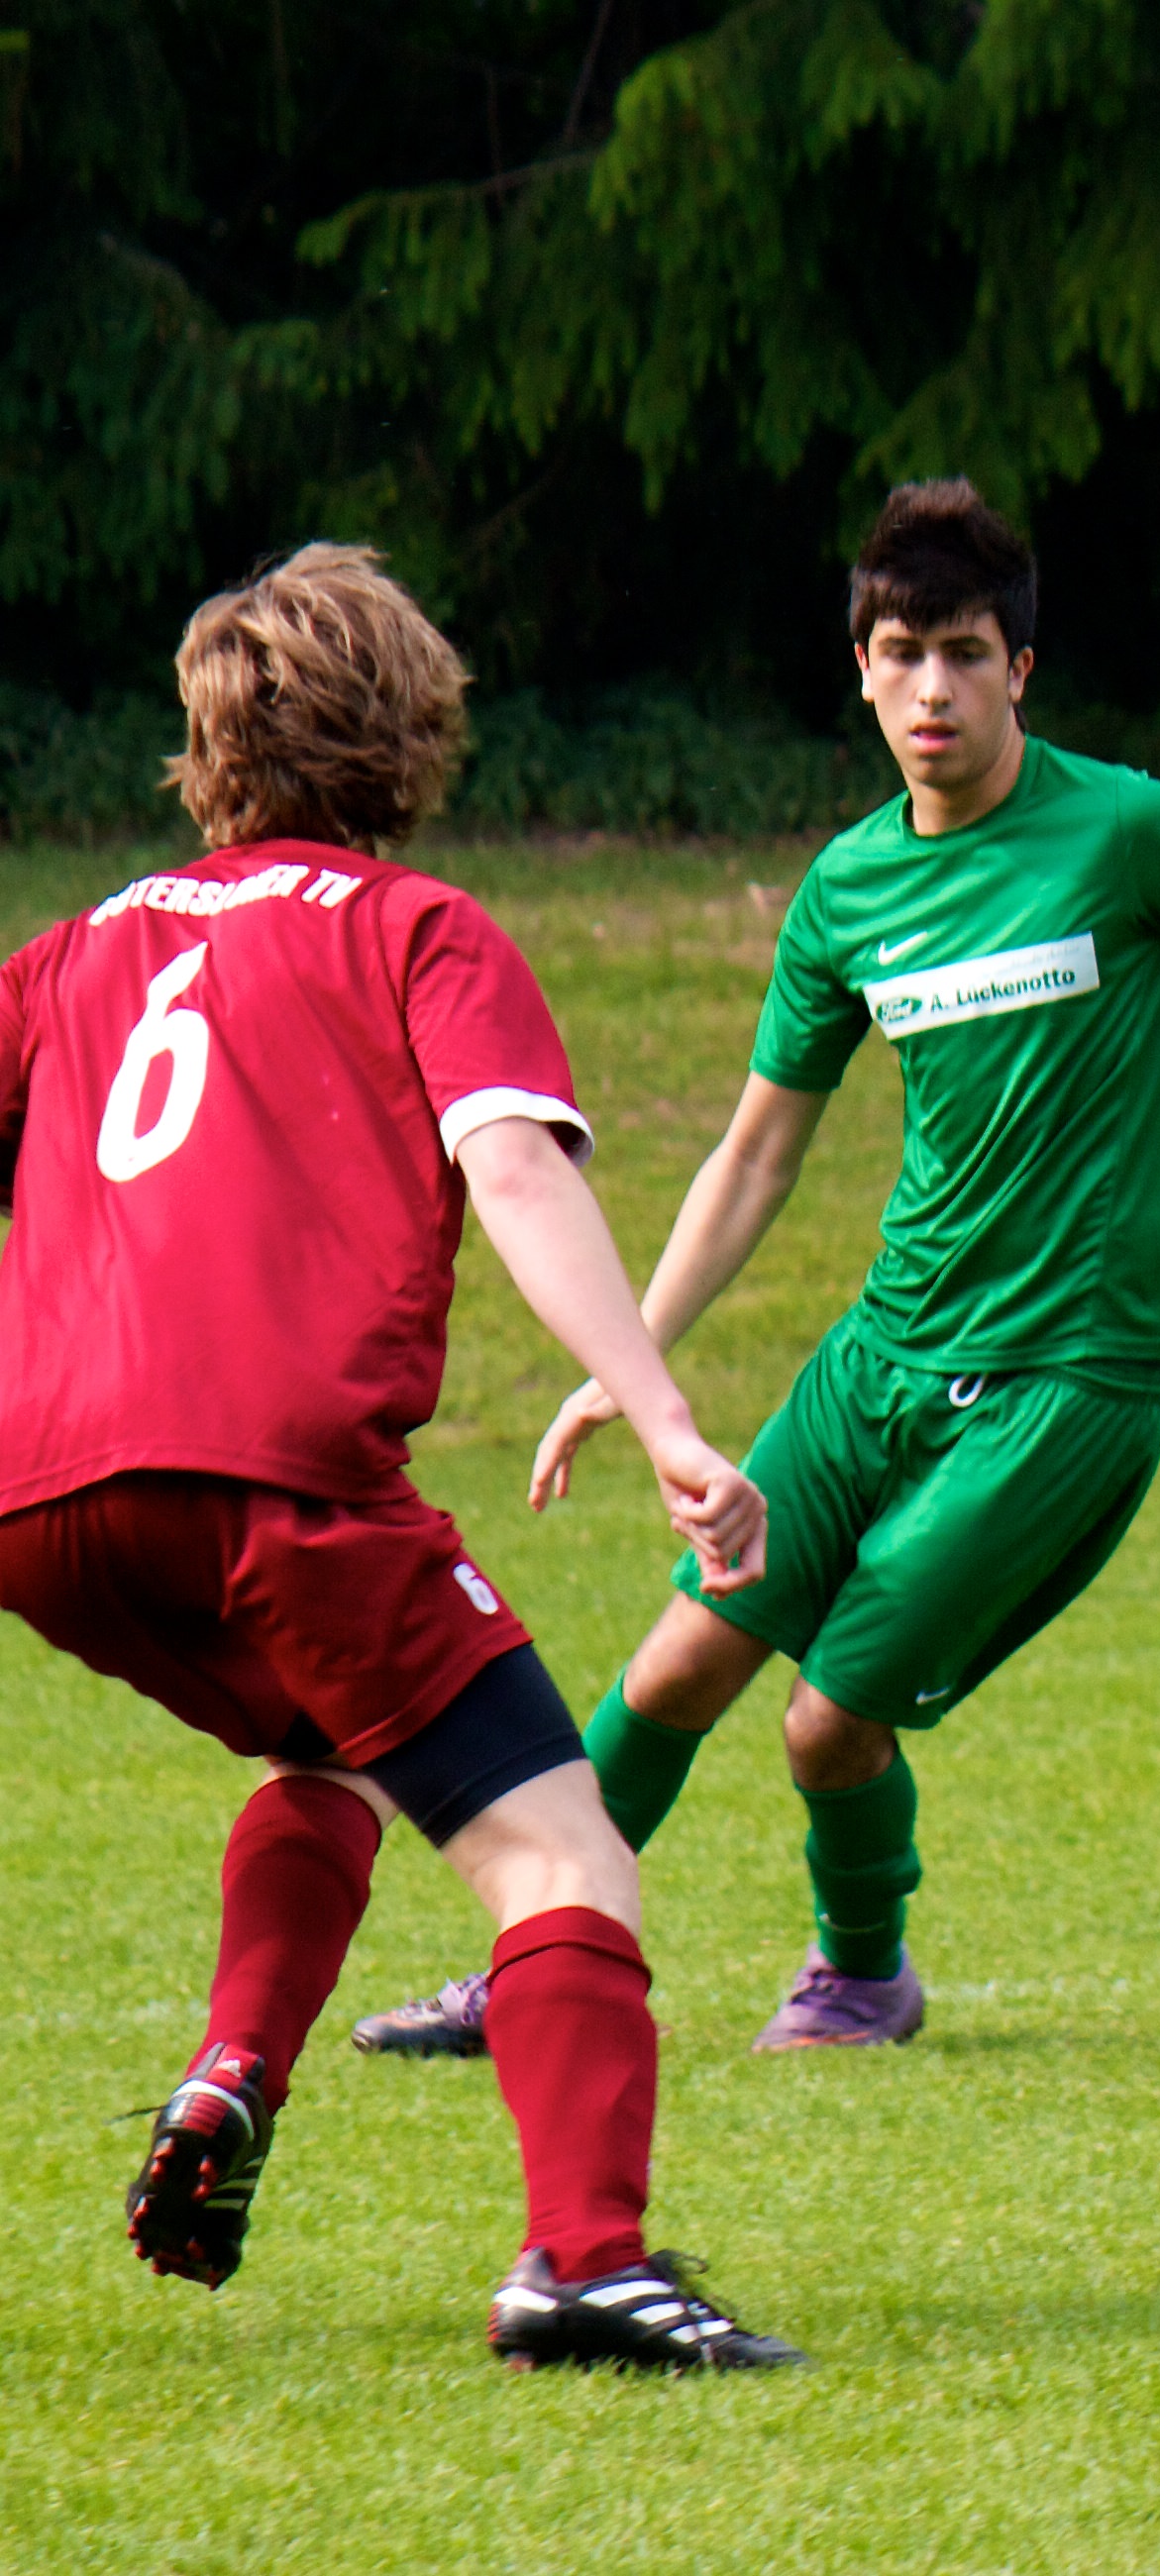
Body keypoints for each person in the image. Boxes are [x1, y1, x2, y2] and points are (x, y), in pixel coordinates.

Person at [354, 481, 1160, 2059]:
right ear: (863, 669)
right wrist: (631, 1365)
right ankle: (530, 1970)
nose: (932, 687)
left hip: (1067, 1383)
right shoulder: (847, 890)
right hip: (881, 1358)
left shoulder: (1132, 833)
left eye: (963, 652)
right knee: (675, 1665)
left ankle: (862, 1972)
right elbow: (757, 1153)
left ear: (1021, 667)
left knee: (826, 1722)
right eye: (902, 653)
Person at [0, 546, 801, 2368]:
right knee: (565, 1852)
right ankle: (583, 2261)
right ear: (412, 728)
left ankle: (231, 2071)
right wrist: (663, 1414)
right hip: (274, 1478)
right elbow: (512, 1166)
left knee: (337, 1746)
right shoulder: (413, 928)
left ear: (208, 743)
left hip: (41, 1504)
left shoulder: (66, 954)